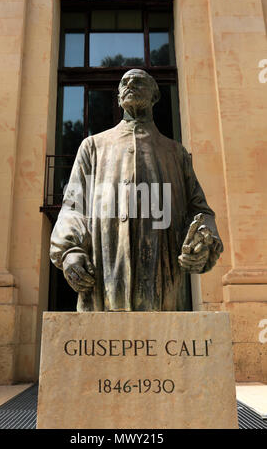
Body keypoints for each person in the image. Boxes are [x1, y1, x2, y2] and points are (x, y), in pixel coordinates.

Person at [50, 69, 223, 312]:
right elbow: (74, 206)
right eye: (124, 82)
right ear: (118, 96)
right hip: (105, 273)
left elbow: (199, 211)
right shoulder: (93, 147)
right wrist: (70, 251)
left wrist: (202, 244)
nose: (130, 84)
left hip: (163, 279)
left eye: (139, 81)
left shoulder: (176, 153)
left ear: (155, 96)